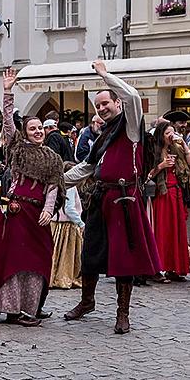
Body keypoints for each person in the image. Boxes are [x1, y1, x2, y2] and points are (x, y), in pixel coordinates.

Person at [63, 61, 161, 334]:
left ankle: (122, 313)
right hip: (101, 198)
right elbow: (87, 168)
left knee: (123, 259)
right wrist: (57, 181)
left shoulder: (130, 126)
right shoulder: (102, 134)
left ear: (117, 103)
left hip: (124, 200)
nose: (102, 108)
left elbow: (132, 96)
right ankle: (87, 302)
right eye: (98, 106)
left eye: (105, 103)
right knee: (91, 252)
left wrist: (105, 76)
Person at [0, 68, 63, 326]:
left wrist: (48, 210)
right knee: (13, 260)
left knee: (38, 259)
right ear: (25, 131)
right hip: (15, 212)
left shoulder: (53, 158)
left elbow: (54, 186)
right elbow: (8, 122)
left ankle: (31, 306)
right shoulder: (18, 148)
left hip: (38, 216)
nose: (37, 131)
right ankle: (13, 309)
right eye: (32, 128)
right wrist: (8, 91)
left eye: (40, 128)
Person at [147, 123, 190, 281]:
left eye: (173, 132)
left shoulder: (176, 148)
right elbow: (147, 174)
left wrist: (185, 146)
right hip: (162, 192)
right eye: (168, 132)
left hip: (176, 191)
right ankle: (157, 268)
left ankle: (174, 268)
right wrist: (162, 165)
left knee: (177, 230)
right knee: (163, 230)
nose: (171, 135)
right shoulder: (154, 150)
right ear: (161, 134)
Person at [50, 163, 85, 289]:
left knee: (56, 252)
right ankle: (62, 277)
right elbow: (69, 208)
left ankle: (54, 276)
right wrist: (80, 223)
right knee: (64, 254)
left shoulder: (59, 183)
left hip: (57, 223)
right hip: (65, 225)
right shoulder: (69, 186)